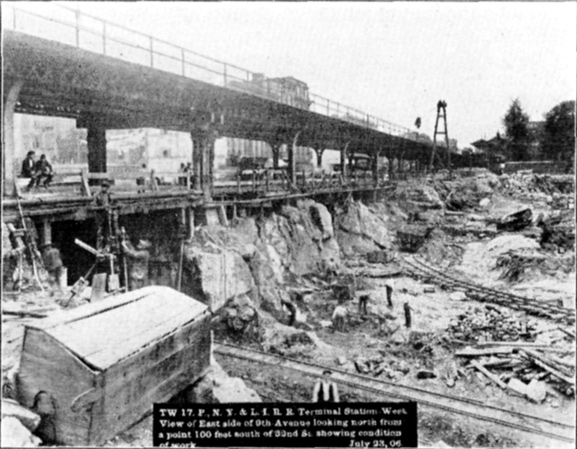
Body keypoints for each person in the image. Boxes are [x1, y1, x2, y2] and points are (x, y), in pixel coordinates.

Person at [93, 181, 113, 250]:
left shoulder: (107, 194)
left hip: (106, 215)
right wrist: (102, 207)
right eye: (103, 187)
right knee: (99, 232)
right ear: (101, 187)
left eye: (106, 187)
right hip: (99, 215)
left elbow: (110, 202)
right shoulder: (97, 195)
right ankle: (99, 248)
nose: (104, 188)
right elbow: (94, 206)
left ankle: (107, 246)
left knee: (108, 231)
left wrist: (108, 206)